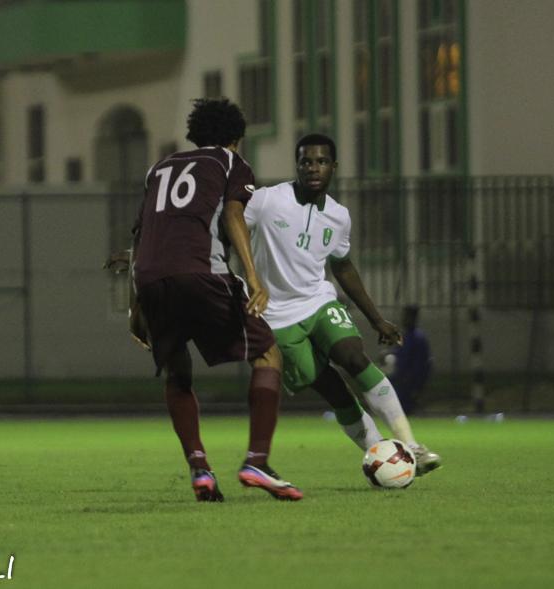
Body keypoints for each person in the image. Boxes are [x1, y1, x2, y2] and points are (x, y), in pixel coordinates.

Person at [128, 98, 302, 502]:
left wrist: (136, 305)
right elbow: (233, 215)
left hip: (150, 279)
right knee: (268, 354)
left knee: (177, 371)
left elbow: (140, 234)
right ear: (236, 138)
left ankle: (200, 469)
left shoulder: (159, 168)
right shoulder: (229, 162)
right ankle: (257, 460)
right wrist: (254, 279)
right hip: (200, 271)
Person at [243, 134, 441, 475]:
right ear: (297, 166)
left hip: (318, 301)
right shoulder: (267, 201)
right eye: (306, 161)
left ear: (333, 167)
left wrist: (377, 319)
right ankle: (384, 456)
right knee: (334, 390)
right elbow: (229, 223)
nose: (313, 168)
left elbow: (343, 266)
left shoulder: (338, 216)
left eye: (321, 161)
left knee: (353, 356)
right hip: (276, 318)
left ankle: (412, 446)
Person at [386, 305, 432, 414]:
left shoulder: (417, 337)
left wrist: (418, 383)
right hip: (400, 381)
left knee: (406, 409)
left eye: (407, 316)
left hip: (410, 382)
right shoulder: (406, 336)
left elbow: (422, 363)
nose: (404, 319)